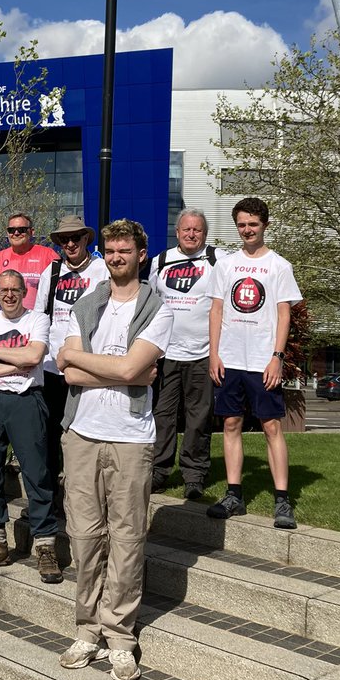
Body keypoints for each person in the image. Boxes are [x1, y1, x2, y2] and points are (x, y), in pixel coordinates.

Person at [56, 219, 174, 680]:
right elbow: (69, 374)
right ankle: (87, 630)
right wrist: (126, 372)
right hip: (82, 433)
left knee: (126, 538)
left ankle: (120, 636)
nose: (117, 256)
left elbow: (127, 367)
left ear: (141, 254)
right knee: (84, 537)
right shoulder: (84, 307)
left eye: (125, 250)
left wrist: (107, 366)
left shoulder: (157, 308)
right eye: (110, 250)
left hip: (131, 438)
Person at [205, 197, 303, 530]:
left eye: (253, 224)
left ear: (265, 225)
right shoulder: (226, 264)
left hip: (263, 360)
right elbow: (217, 309)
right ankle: (234, 495)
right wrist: (214, 353)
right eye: (242, 225)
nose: (247, 230)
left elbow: (283, 313)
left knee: (272, 427)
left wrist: (277, 357)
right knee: (231, 425)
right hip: (229, 359)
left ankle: (282, 499)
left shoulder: (279, 266)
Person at [0, 270, 62, 584]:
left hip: (27, 399)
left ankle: (45, 545)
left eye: (14, 290)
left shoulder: (37, 320)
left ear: (23, 291)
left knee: (37, 472)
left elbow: (34, 355)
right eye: (3, 290)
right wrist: (15, 363)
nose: (8, 295)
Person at [33, 215, 109, 512]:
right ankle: (51, 495)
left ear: (86, 239)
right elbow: (39, 317)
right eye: (65, 239)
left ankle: (86, 497)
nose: (71, 243)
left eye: (76, 237)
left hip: (88, 367)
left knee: (86, 433)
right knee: (50, 434)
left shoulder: (102, 270)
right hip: (53, 366)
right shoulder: (50, 272)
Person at [147, 209, 225, 499]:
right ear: (177, 232)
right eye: (186, 229)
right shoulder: (162, 261)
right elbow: (152, 305)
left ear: (204, 234)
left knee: (199, 417)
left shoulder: (219, 260)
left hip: (203, 354)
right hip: (167, 354)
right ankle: (159, 470)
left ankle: (194, 475)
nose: (192, 234)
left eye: (198, 230)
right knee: (163, 415)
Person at [0, 212, 59, 315]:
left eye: (22, 230)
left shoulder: (47, 255)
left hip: (36, 323)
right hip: (5, 323)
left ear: (31, 232)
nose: (16, 233)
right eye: (11, 230)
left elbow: (65, 282)